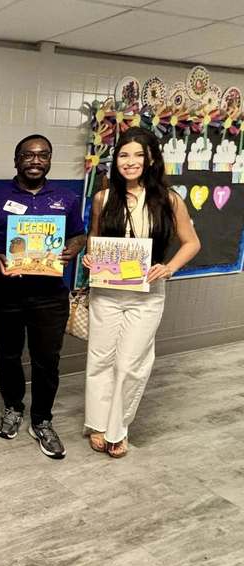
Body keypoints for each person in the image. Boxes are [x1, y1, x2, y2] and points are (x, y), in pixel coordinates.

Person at [82, 127, 199, 457]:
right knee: (100, 359)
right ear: (115, 160)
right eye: (123, 155)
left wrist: (169, 267)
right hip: (106, 292)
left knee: (130, 364)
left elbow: (192, 243)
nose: (130, 162)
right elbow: (95, 237)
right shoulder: (103, 198)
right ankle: (98, 424)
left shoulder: (169, 200)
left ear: (151, 160)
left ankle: (118, 428)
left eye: (138, 155)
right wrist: (91, 256)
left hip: (147, 294)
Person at [0, 134, 85, 460]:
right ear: (17, 160)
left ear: (50, 160)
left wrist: (72, 249)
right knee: (8, 354)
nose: (35, 160)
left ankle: (42, 419)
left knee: (47, 360)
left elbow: (79, 235)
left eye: (42, 155)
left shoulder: (67, 198)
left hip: (50, 295)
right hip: (4, 293)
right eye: (28, 155)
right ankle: (13, 407)